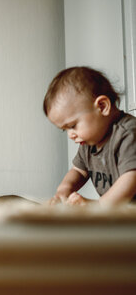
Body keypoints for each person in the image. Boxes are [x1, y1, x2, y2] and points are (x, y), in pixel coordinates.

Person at [44, 66, 136, 206]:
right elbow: (78, 171)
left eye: (73, 126)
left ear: (102, 106)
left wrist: (98, 206)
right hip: (118, 214)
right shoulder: (90, 142)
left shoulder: (128, 133)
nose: (71, 135)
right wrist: (64, 189)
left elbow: (131, 178)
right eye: (65, 130)